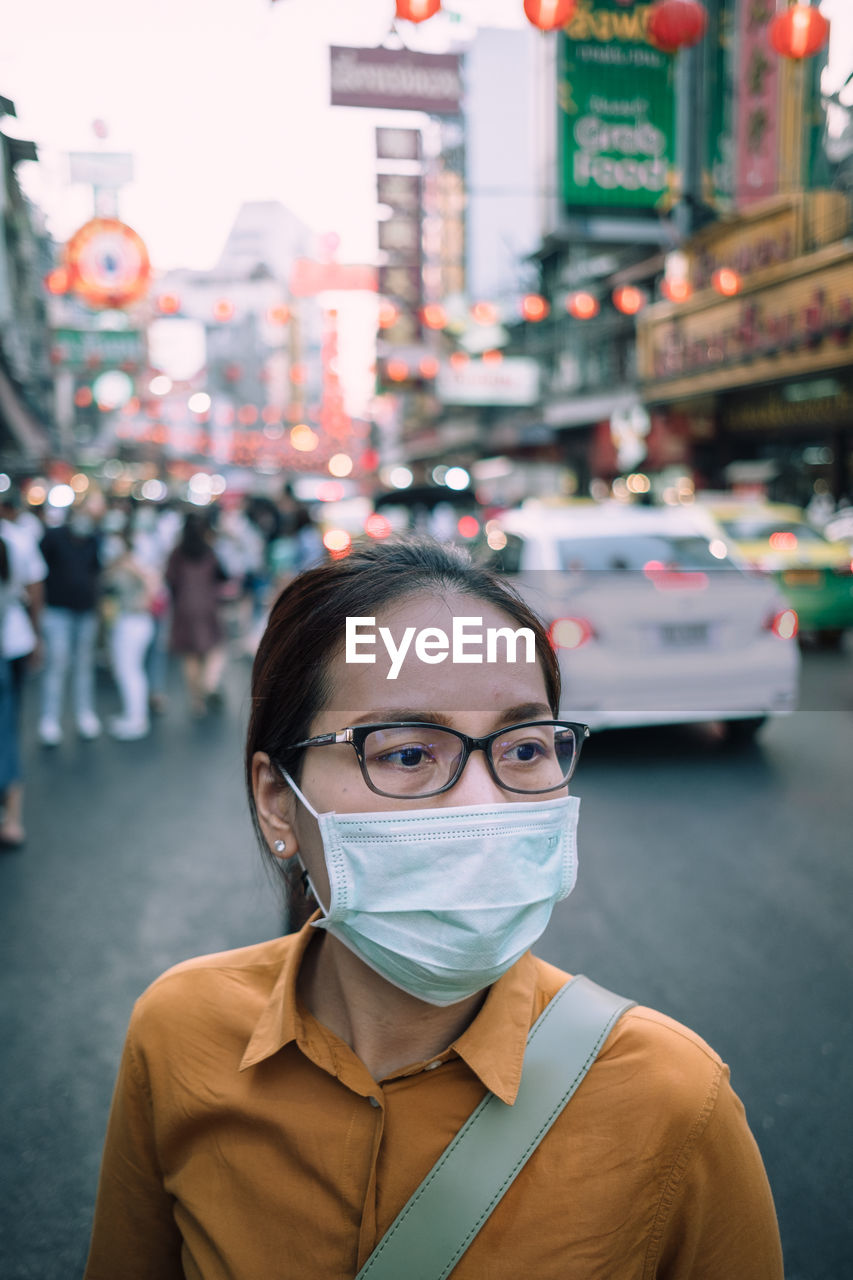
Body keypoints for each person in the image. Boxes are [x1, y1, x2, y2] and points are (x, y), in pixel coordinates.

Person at [85, 538, 784, 1279]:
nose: (483, 805)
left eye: (522, 747)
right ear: (277, 803)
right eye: (407, 754)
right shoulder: (178, 1031)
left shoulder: (675, 1099)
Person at [0, 482, 46, 845]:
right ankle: (12, 817)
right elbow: (34, 589)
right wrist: (36, 635)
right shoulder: (18, 538)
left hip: (12, 641)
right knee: (8, 729)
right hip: (12, 641)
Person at [38, 497, 103, 745]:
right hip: (57, 612)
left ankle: (84, 714)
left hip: (85, 612)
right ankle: (49, 719)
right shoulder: (53, 537)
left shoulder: (94, 540)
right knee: (57, 664)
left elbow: (96, 573)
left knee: (83, 666)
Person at [165, 512, 228, 716]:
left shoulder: (177, 553)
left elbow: (170, 580)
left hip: (183, 608)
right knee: (215, 649)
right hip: (207, 606)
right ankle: (208, 684)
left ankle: (197, 703)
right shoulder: (209, 552)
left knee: (190, 655)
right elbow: (222, 576)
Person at [102, 532, 159, 740]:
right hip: (131, 621)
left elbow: (153, 584)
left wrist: (144, 599)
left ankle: (136, 719)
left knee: (129, 671)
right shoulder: (127, 564)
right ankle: (133, 716)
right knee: (130, 671)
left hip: (133, 622)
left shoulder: (132, 564)